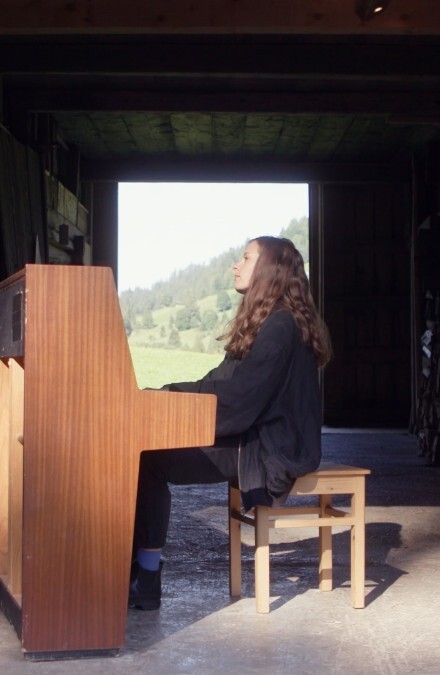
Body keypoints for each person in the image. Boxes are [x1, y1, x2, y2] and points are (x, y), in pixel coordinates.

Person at [129, 235, 332, 611]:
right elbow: (219, 382)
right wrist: (164, 394)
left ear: (270, 269)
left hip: (267, 448)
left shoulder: (281, 327)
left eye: (246, 257)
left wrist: (173, 410)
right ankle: (136, 573)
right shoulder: (266, 323)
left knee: (149, 458)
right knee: (144, 453)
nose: (236, 265)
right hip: (251, 435)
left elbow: (240, 400)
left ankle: (146, 579)